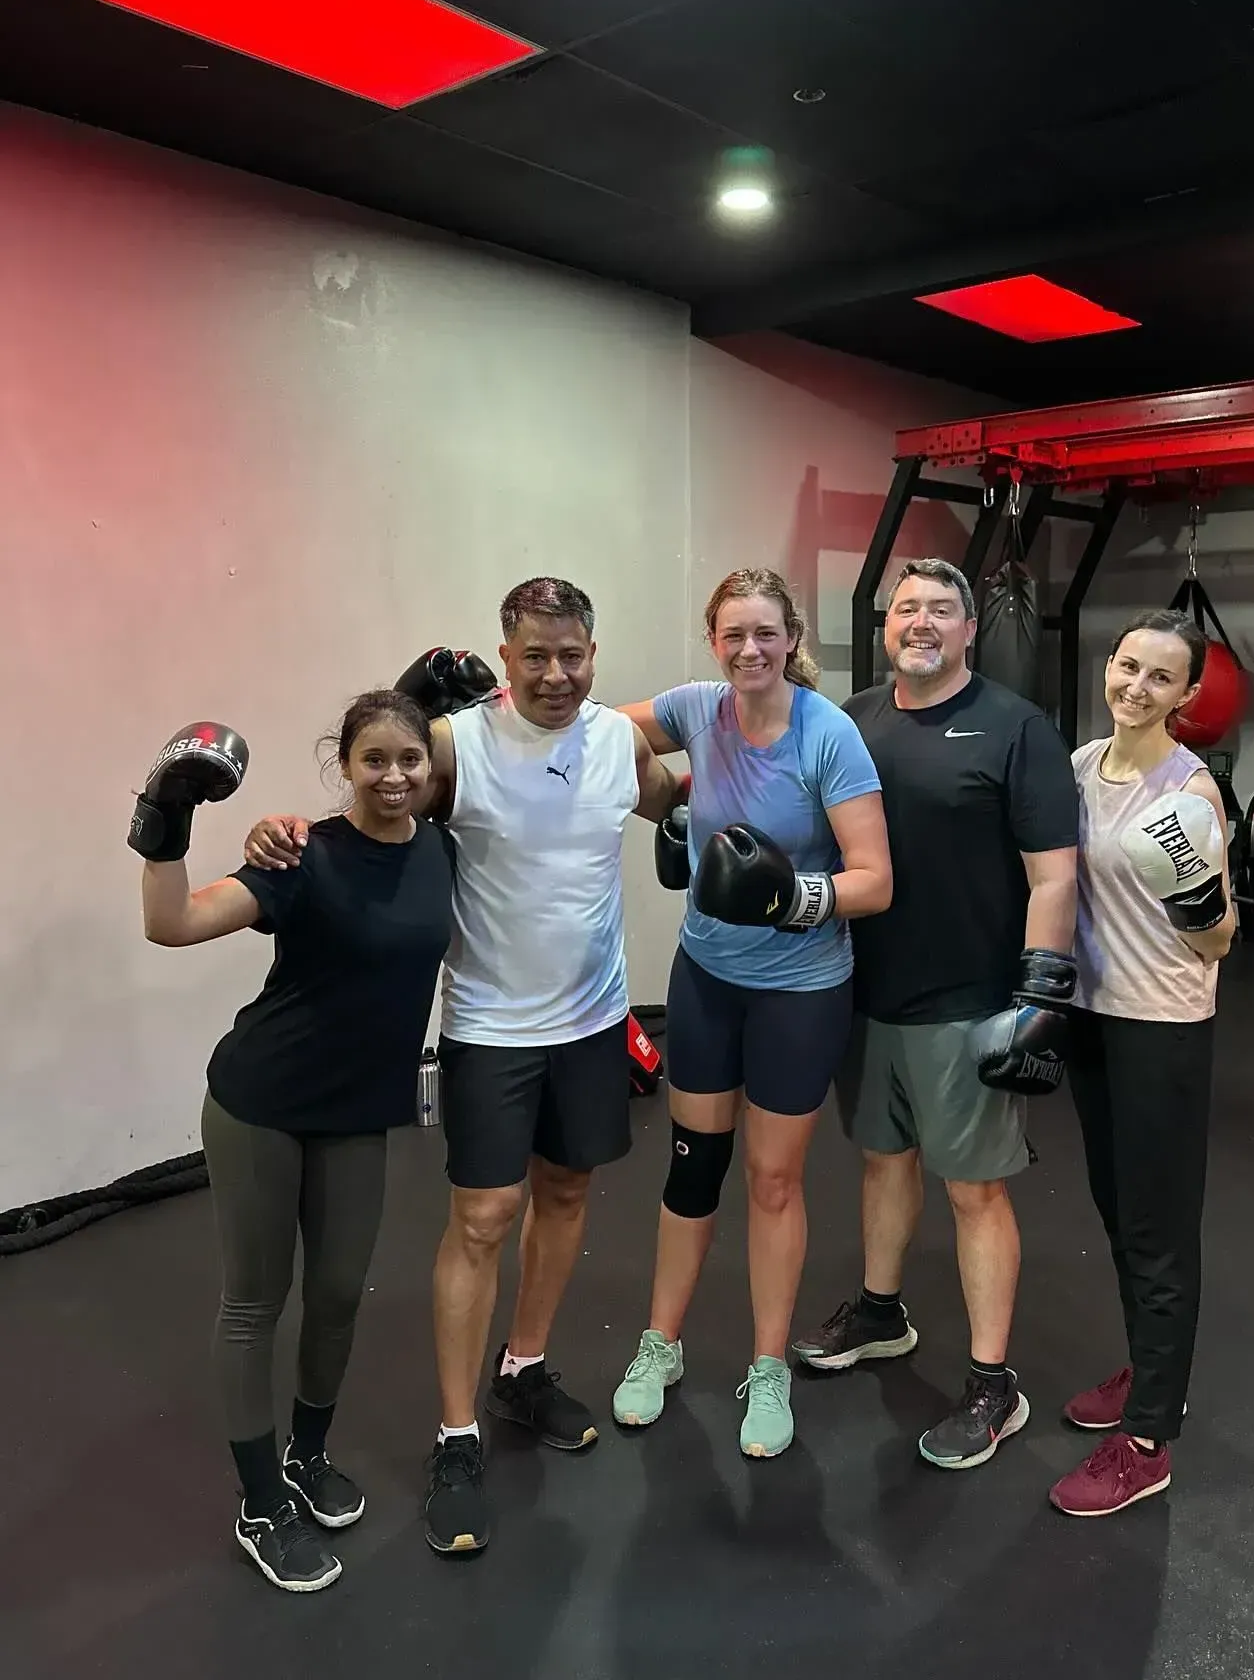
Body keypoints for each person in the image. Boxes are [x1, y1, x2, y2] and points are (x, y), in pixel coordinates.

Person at [240, 579, 683, 1556]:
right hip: (490, 1024)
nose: (556, 674)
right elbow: (378, 792)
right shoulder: (459, 744)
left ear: (594, 653)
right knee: (484, 1217)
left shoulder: (619, 741)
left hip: (594, 1018)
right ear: (506, 652)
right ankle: (455, 1434)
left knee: (566, 1194)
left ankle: (523, 1370)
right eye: (536, 656)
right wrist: (284, 836)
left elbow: (680, 802)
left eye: (573, 655)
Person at [132, 692, 455, 1594]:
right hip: (262, 1103)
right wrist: (167, 818)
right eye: (372, 762)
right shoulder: (303, 852)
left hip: (358, 1111)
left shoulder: (444, 849)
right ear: (342, 766)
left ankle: (306, 1456)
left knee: (342, 1292)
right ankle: (259, 1501)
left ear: (430, 767)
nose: (393, 777)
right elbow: (173, 923)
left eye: (409, 760)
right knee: (254, 1303)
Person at [789, 557, 1080, 1474]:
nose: (921, 621)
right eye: (906, 607)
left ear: (967, 629)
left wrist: (1041, 993)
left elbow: (1055, 872)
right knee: (882, 1161)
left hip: (968, 1003)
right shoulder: (856, 719)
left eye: (941, 610)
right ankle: (882, 1311)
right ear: (886, 627)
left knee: (975, 1189)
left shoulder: (1015, 727)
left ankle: (995, 1382)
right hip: (864, 990)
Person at [610, 567, 892, 1458]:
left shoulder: (829, 735)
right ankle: (661, 1346)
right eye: (733, 634)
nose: (749, 649)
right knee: (693, 1169)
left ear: (791, 636)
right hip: (707, 977)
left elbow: (874, 879)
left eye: (765, 633)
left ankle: (768, 1366)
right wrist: (661, 796)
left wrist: (789, 898)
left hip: (800, 991)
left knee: (772, 1182)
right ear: (713, 639)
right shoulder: (698, 709)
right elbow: (595, 731)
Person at [1047, 606, 1235, 1516]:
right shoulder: (1083, 765)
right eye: (1128, 667)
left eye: (1161, 677)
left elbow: (1220, 942)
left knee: (1160, 1230)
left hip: (1161, 1024)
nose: (1136, 687)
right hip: (1091, 1016)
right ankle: (1151, 1373)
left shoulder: (1190, 795)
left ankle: (1151, 1436)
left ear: (1189, 695)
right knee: (1120, 1211)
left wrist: (1193, 888)